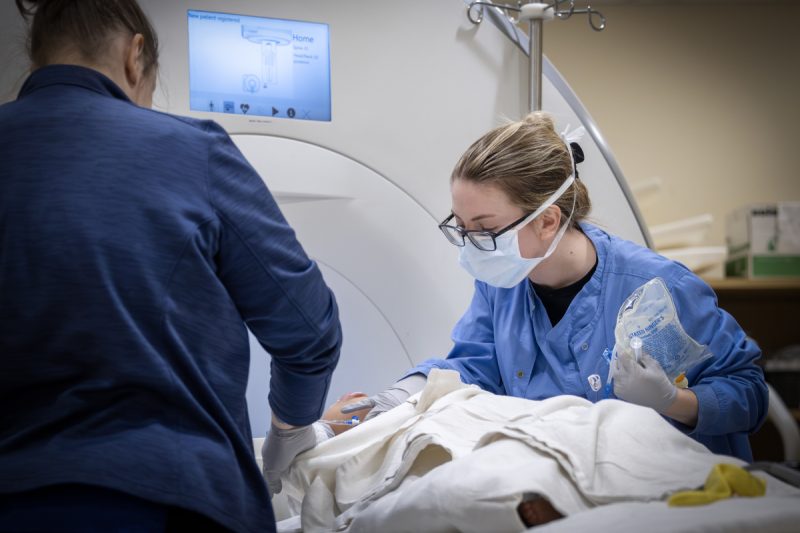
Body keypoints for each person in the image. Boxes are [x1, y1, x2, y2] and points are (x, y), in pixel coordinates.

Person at [0, 1, 341, 532]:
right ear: (135, 57)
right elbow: (309, 333)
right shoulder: (192, 150)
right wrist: (289, 437)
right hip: (170, 498)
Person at [344, 112, 767, 462]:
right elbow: (474, 368)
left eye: (485, 230)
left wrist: (670, 400)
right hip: (560, 482)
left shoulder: (656, 289)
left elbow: (749, 394)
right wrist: (398, 399)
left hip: (668, 491)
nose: (471, 245)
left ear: (548, 221)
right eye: (461, 226)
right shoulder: (503, 284)